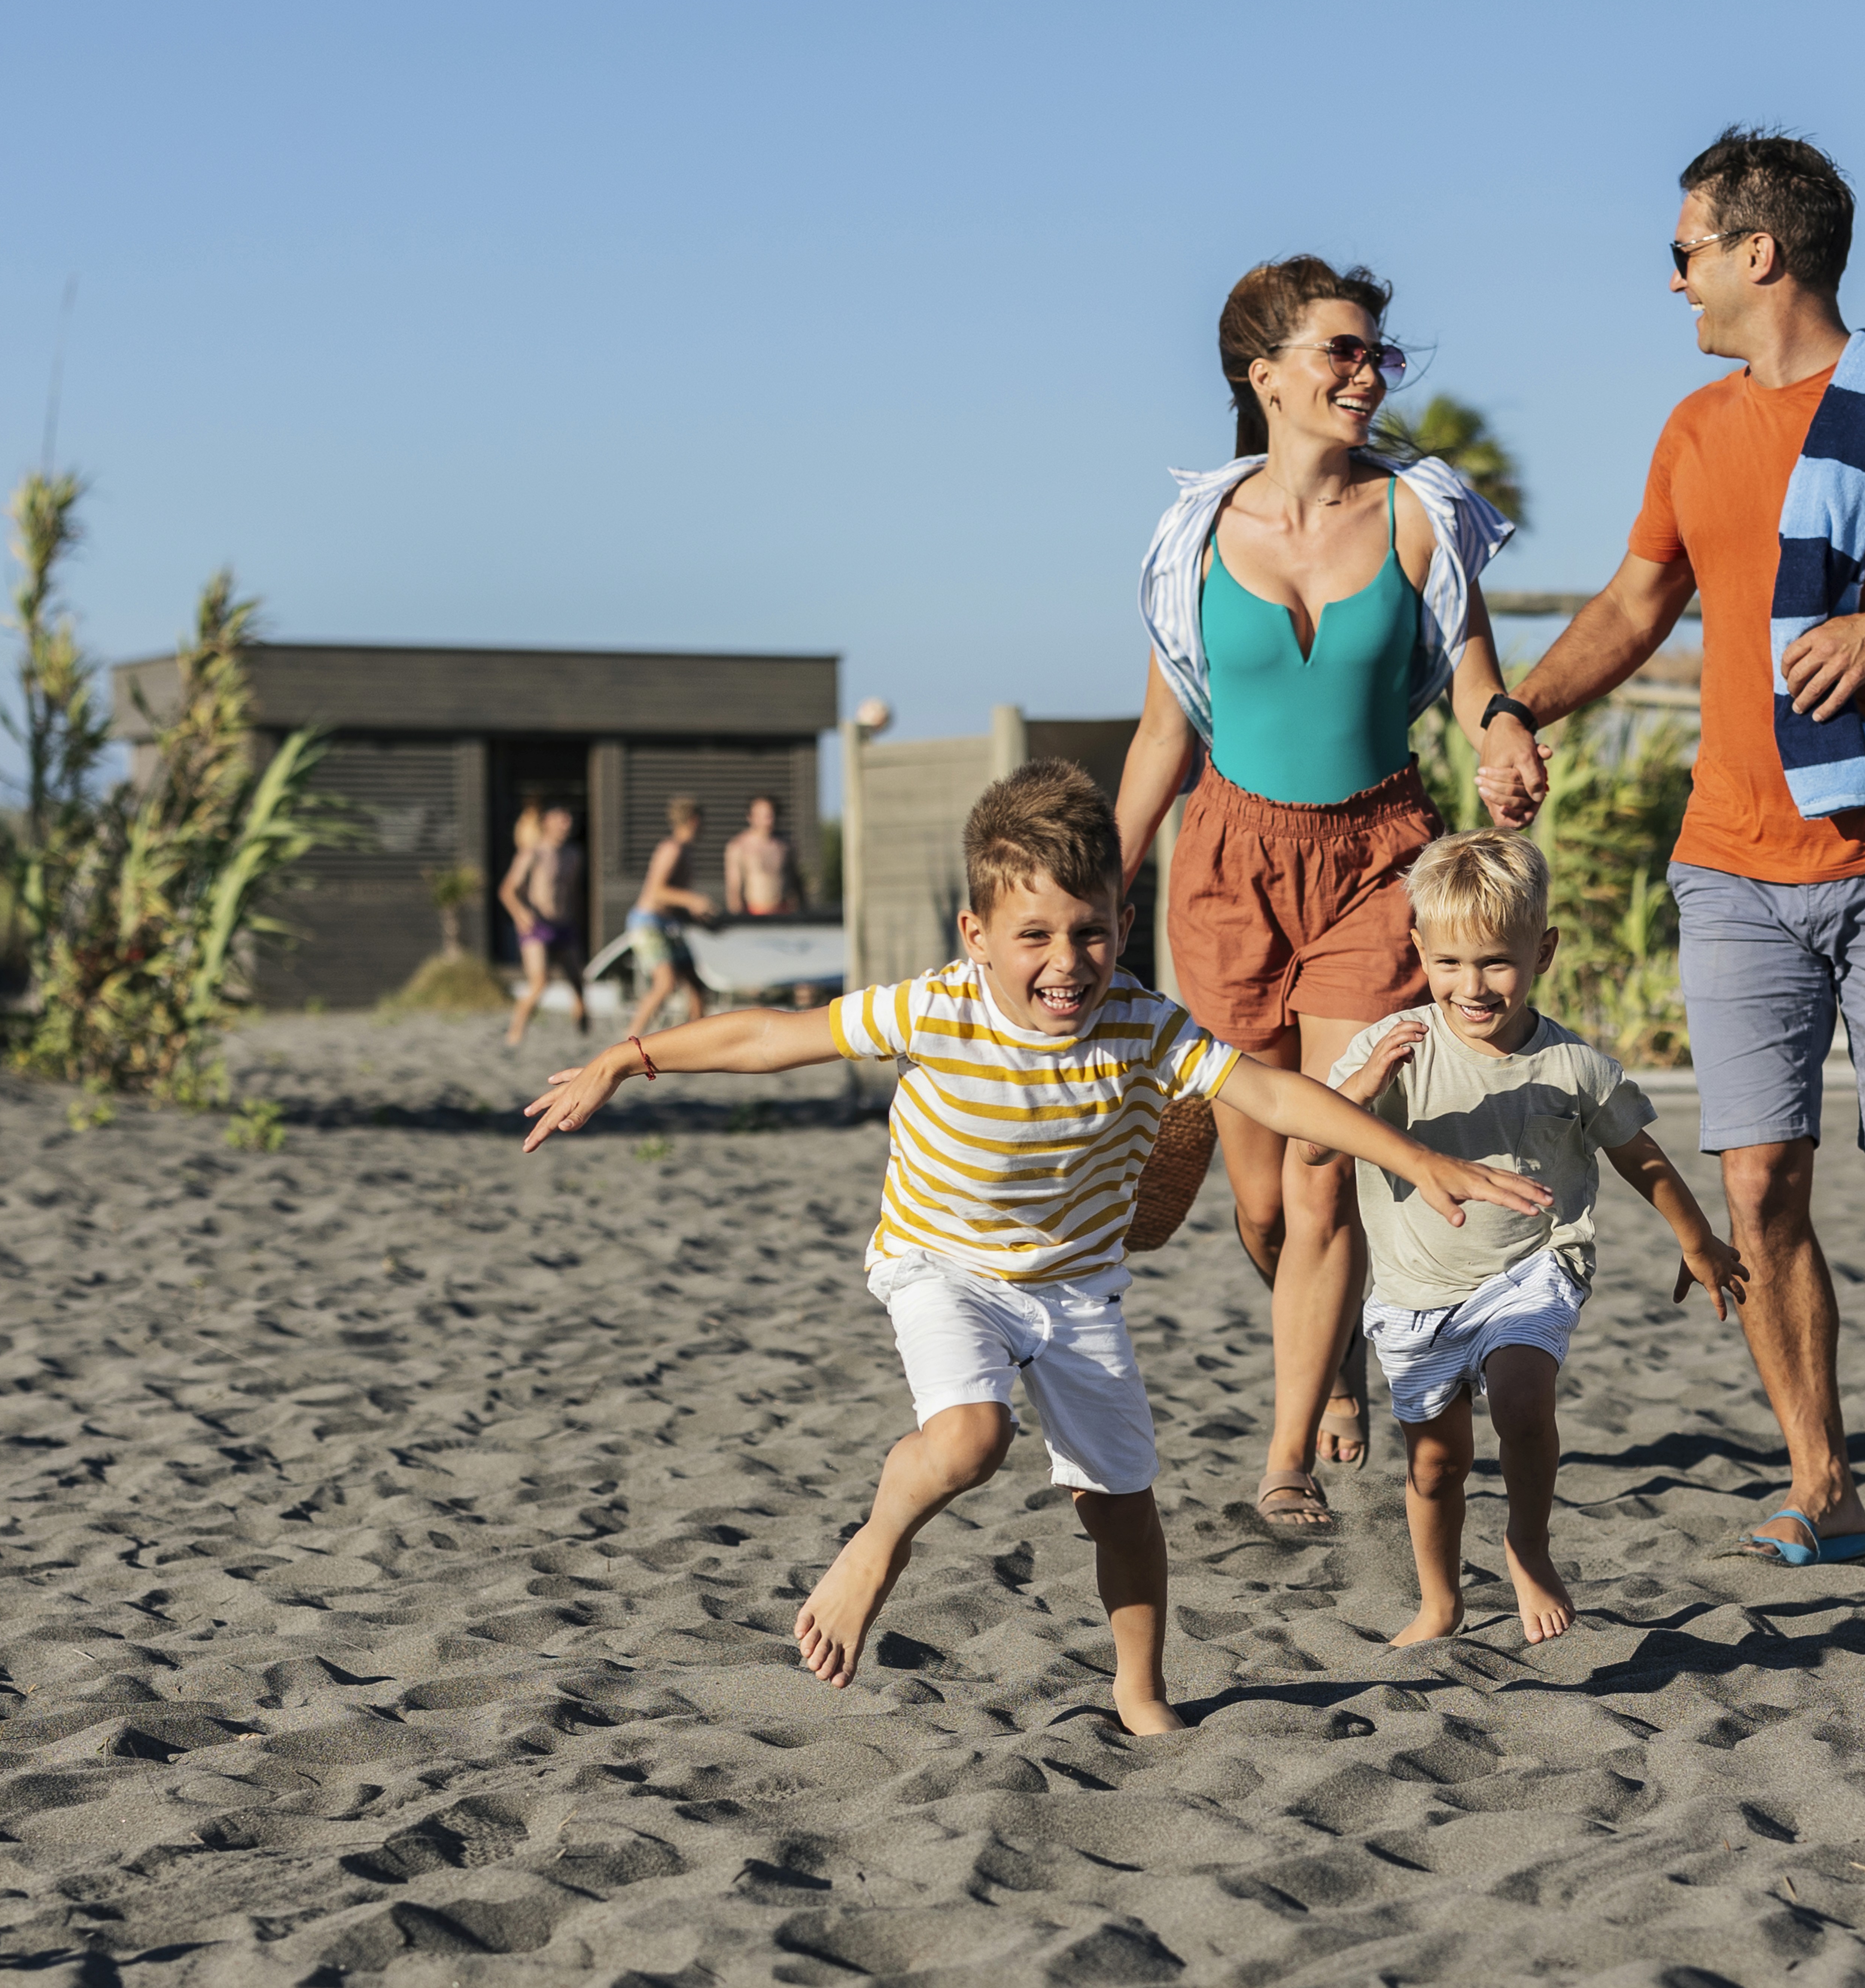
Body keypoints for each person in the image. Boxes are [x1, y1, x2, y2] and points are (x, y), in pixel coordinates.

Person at [521, 762, 1549, 1732]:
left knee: (1125, 1509)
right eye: (1035, 936)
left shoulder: (1149, 1026)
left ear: (1123, 923)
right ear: (975, 933)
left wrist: (1419, 1162)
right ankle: (875, 1546)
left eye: (1092, 933)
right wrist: (632, 1055)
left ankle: (1141, 1693)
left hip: (1076, 1291)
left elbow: (1275, 1095)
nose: (1068, 963)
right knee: (972, 1438)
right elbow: (770, 1036)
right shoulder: (938, 1007)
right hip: (941, 1262)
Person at [1476, 128, 1865, 1565]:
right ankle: (1821, 1472)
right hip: (1734, 856)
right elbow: (1637, 607)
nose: (1673, 278)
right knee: (1759, 1180)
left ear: (1762, 253)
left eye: (1684, 249)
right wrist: (1519, 706)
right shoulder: (1693, 429)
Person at [1113, 255, 1527, 1529]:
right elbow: (1164, 737)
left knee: (1320, 1169)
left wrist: (1503, 731)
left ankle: (1286, 1455)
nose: (1365, 373)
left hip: (1376, 857)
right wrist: (1100, 876)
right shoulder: (1194, 536)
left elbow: (1471, 674)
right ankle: (1335, 1357)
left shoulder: (1419, 512)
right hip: (1229, 864)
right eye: (1339, 352)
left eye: (1374, 354)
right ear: (1266, 375)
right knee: (1254, 1200)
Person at [1308, 831, 1749, 1645]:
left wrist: (1697, 1239)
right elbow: (1312, 1145)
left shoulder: (1573, 1066)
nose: (1471, 986)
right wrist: (1365, 1085)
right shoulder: (1387, 1049)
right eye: (1449, 964)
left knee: (1521, 1398)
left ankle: (1528, 1543)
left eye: (1494, 963)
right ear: (1419, 950)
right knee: (1435, 1463)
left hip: (1533, 1265)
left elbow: (1639, 1155)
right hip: (1414, 1291)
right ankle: (1440, 1600)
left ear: (1541, 950)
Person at [501, 798, 589, 1047]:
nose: (567, 823)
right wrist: (521, 914)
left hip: (564, 925)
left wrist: (578, 923)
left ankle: (583, 1023)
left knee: (578, 981)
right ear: (547, 822)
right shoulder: (534, 852)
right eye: (562, 818)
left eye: (569, 818)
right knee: (540, 982)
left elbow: (573, 894)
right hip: (537, 927)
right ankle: (516, 1032)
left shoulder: (574, 855)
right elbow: (507, 890)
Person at [627, 796, 716, 1030]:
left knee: (697, 986)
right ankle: (629, 1039)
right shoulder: (672, 848)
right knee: (665, 984)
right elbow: (656, 891)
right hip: (648, 923)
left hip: (670, 923)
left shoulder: (685, 851)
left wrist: (696, 914)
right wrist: (693, 900)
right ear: (695, 821)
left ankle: (699, 1043)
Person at [724, 795, 803, 916]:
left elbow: (796, 884)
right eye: (762, 815)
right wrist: (739, 920)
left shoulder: (786, 846)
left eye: (771, 814)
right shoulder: (739, 847)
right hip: (754, 914)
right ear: (750, 817)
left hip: (784, 913)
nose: (768, 819)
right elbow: (734, 889)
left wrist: (802, 914)